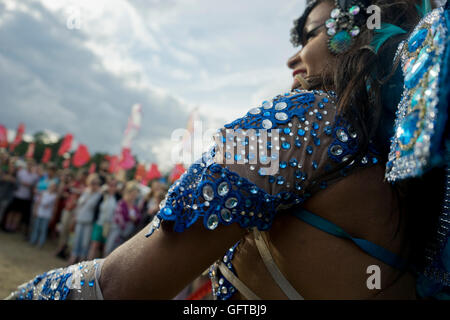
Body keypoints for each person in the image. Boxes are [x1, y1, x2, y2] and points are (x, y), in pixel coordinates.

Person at [6, 0, 449, 300]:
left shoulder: (307, 119)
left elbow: (120, 285)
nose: (292, 59)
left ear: (357, 38)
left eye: (309, 36)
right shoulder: (417, 177)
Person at [68, 174, 102, 264]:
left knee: (85, 243)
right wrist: (75, 216)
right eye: (91, 183)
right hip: (79, 219)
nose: (93, 185)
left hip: (89, 221)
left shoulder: (98, 195)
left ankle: (81, 261)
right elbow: (79, 205)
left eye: (95, 183)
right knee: (76, 240)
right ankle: (72, 259)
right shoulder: (85, 192)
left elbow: (93, 205)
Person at [55, 169, 88, 259]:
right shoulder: (74, 183)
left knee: (71, 232)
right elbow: (65, 191)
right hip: (68, 208)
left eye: (84, 176)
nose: (82, 177)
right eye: (81, 175)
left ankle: (67, 251)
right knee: (64, 229)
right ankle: (60, 248)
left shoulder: (86, 186)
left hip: (77, 211)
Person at [104, 181, 141, 256]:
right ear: (128, 193)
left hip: (127, 233)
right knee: (110, 250)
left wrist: (134, 219)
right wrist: (130, 218)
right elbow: (119, 217)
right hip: (117, 230)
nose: (134, 196)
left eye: (135, 194)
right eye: (133, 193)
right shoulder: (122, 203)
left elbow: (139, 218)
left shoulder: (135, 206)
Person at [3, 159, 39, 233]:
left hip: (25, 197)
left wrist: (30, 186)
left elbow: (34, 186)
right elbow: (16, 181)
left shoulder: (35, 176)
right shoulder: (20, 172)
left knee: (19, 213)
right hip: (17, 195)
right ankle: (7, 226)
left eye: (31, 165)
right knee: (12, 211)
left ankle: (13, 227)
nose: (30, 166)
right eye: (29, 164)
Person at [87, 177, 120, 259]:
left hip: (110, 226)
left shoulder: (118, 198)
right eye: (110, 185)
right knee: (94, 246)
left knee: (106, 248)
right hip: (99, 223)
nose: (112, 187)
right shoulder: (102, 195)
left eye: (114, 185)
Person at [29, 181, 58, 248]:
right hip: (40, 212)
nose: (52, 188)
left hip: (47, 215)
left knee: (43, 229)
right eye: (51, 186)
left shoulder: (55, 196)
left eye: (54, 187)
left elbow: (55, 206)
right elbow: (37, 202)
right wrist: (35, 210)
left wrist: (53, 215)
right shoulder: (43, 193)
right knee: (36, 227)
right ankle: (33, 240)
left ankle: (40, 243)